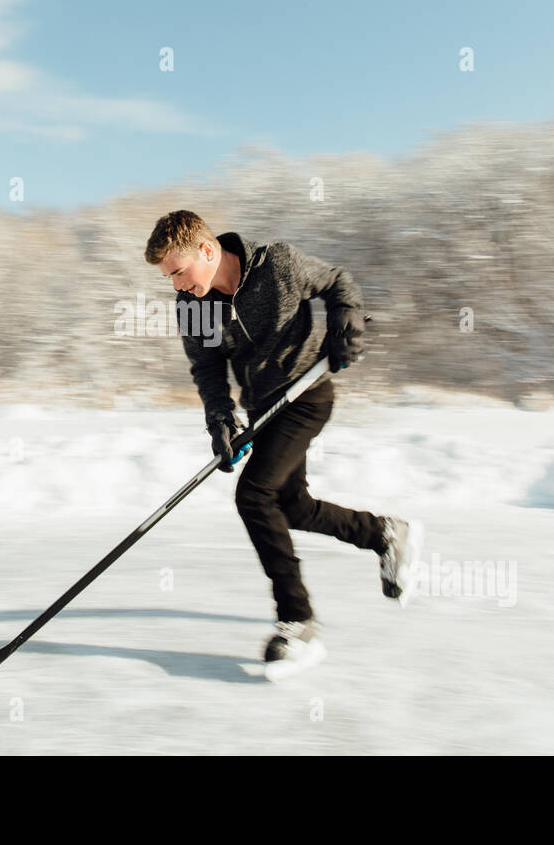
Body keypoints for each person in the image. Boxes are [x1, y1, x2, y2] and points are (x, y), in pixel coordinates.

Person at [144, 210, 422, 668]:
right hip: (261, 409)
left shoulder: (279, 266)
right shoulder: (193, 306)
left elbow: (337, 281)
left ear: (207, 251)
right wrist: (220, 419)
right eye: (168, 277)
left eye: (177, 271)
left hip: (307, 395)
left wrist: (346, 319)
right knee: (291, 506)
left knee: (254, 497)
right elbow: (207, 369)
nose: (175, 284)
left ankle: (298, 622)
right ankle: (384, 533)